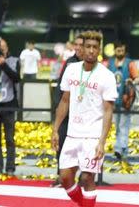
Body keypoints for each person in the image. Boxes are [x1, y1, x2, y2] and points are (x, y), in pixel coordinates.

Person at [52, 31, 117, 207]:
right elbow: (64, 101)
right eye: (87, 46)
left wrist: (102, 141)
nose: (90, 50)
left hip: (92, 136)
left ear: (99, 50)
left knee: (88, 178)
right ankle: (83, 203)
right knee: (65, 178)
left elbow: (108, 111)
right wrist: (55, 130)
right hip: (72, 134)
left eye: (94, 47)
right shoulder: (71, 69)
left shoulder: (107, 76)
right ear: (81, 47)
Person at [51, 33, 84, 187]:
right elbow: (60, 89)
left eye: (80, 45)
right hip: (67, 113)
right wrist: (58, 109)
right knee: (62, 145)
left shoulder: (92, 66)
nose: (77, 47)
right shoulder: (70, 63)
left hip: (84, 116)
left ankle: (84, 177)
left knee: (83, 148)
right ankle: (61, 177)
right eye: (75, 44)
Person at [0, 37, 20, 175]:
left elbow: (16, 78)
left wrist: (4, 65)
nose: (0, 50)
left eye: (2, 47)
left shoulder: (14, 60)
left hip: (8, 103)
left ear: (7, 48)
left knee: (9, 138)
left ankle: (10, 168)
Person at [108, 41, 139, 161]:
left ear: (124, 51)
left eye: (122, 50)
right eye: (118, 50)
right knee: (117, 126)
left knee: (124, 125)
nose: (120, 52)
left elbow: (137, 79)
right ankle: (120, 149)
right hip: (113, 100)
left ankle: (121, 149)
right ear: (115, 50)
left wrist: (132, 81)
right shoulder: (111, 63)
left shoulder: (130, 63)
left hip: (126, 99)